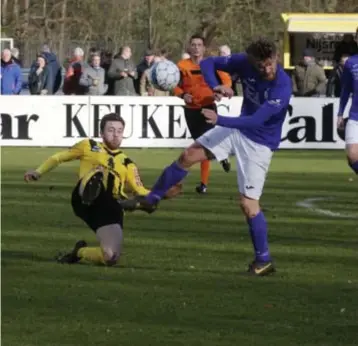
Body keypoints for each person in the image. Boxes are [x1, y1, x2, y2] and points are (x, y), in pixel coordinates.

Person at [119, 38, 293, 276]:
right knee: (189, 155)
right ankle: (152, 198)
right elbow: (209, 63)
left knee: (248, 205)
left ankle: (264, 261)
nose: (266, 69)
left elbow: (257, 120)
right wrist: (215, 86)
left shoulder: (282, 85)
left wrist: (219, 119)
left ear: (276, 58)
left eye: (270, 64)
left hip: (258, 143)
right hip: (237, 130)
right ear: (252, 61)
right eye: (261, 65)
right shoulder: (244, 61)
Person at [23, 113, 153, 266]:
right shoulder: (89, 145)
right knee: (98, 174)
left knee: (110, 257)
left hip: (111, 208)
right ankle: (109, 194)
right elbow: (59, 157)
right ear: (101, 133)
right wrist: (38, 172)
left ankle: (78, 252)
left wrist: (162, 193)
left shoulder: (127, 163)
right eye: (111, 130)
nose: (115, 135)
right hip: (85, 197)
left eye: (119, 131)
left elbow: (141, 190)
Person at [173, 34, 232, 194]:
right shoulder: (182, 66)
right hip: (190, 110)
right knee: (200, 145)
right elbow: (174, 85)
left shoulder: (211, 64)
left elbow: (226, 80)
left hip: (208, 108)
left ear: (204, 48)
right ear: (189, 47)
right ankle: (222, 154)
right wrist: (182, 95)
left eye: (199, 45)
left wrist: (222, 91)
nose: (196, 48)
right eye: (193, 45)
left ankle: (203, 184)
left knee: (202, 144)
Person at [337, 49, 358, 175]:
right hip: (355, 116)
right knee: (352, 156)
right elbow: (345, 90)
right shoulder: (351, 62)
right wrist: (340, 113)